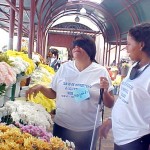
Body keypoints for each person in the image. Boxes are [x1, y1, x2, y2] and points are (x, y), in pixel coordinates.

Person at [26, 34, 114, 150]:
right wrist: (41, 88)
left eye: (81, 45)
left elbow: (110, 103)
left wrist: (105, 91)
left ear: (90, 50)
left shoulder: (100, 71)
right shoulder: (64, 68)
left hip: (87, 129)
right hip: (62, 125)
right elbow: (54, 93)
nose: (76, 48)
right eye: (74, 45)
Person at [99, 23, 150, 150]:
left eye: (128, 44)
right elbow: (125, 99)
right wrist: (111, 119)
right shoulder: (136, 66)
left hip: (137, 140)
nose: (126, 48)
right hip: (122, 137)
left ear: (141, 45)